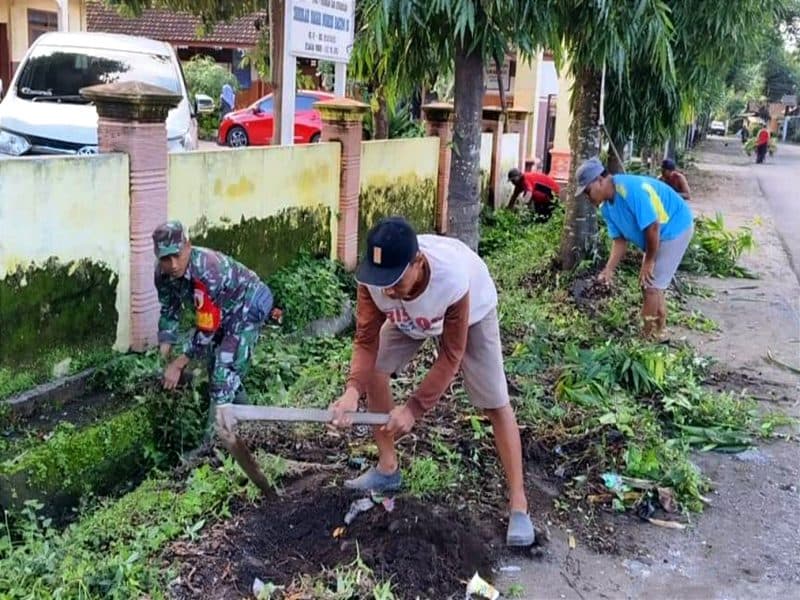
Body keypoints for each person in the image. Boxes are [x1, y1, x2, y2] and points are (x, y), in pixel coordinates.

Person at [329, 217, 535, 547]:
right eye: (382, 281)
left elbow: (452, 354)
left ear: (418, 263)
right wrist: (352, 390)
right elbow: (366, 339)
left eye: (395, 280)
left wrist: (413, 408)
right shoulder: (375, 282)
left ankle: (519, 505)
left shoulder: (452, 278)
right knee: (375, 370)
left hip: (471, 315)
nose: (388, 290)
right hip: (412, 321)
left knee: (495, 401)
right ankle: (387, 468)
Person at [153, 221, 273, 432]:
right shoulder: (163, 275)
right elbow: (169, 310)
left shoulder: (208, 270)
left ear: (188, 246)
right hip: (221, 311)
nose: (172, 264)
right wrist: (163, 355)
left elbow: (207, 329)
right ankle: (253, 429)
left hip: (247, 304)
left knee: (222, 372)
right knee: (217, 369)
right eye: (165, 258)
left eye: (177, 255)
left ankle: (213, 450)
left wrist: (178, 364)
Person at [575, 158, 694, 340]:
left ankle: (643, 340)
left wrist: (649, 260)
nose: (587, 197)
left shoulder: (628, 189)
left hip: (675, 228)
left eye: (587, 191)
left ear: (599, 180)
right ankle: (660, 329)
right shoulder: (607, 209)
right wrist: (609, 270)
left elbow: (653, 226)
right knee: (651, 283)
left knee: (650, 287)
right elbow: (619, 241)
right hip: (657, 236)